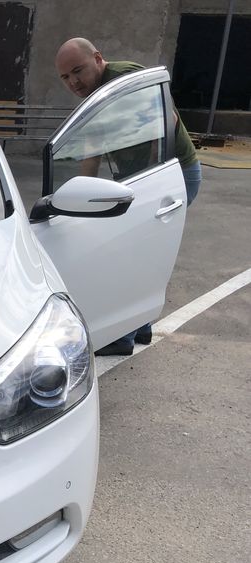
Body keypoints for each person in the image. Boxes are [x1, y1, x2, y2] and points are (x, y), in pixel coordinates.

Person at [55, 38, 201, 356]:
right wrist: (75, 200)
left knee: (131, 255)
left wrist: (152, 181)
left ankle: (123, 335)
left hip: (174, 175)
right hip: (140, 181)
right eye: (65, 77)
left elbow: (167, 119)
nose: (73, 82)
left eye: (78, 71)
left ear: (98, 58)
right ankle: (140, 326)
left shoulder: (122, 79)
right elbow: (92, 150)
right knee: (142, 252)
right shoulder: (95, 96)